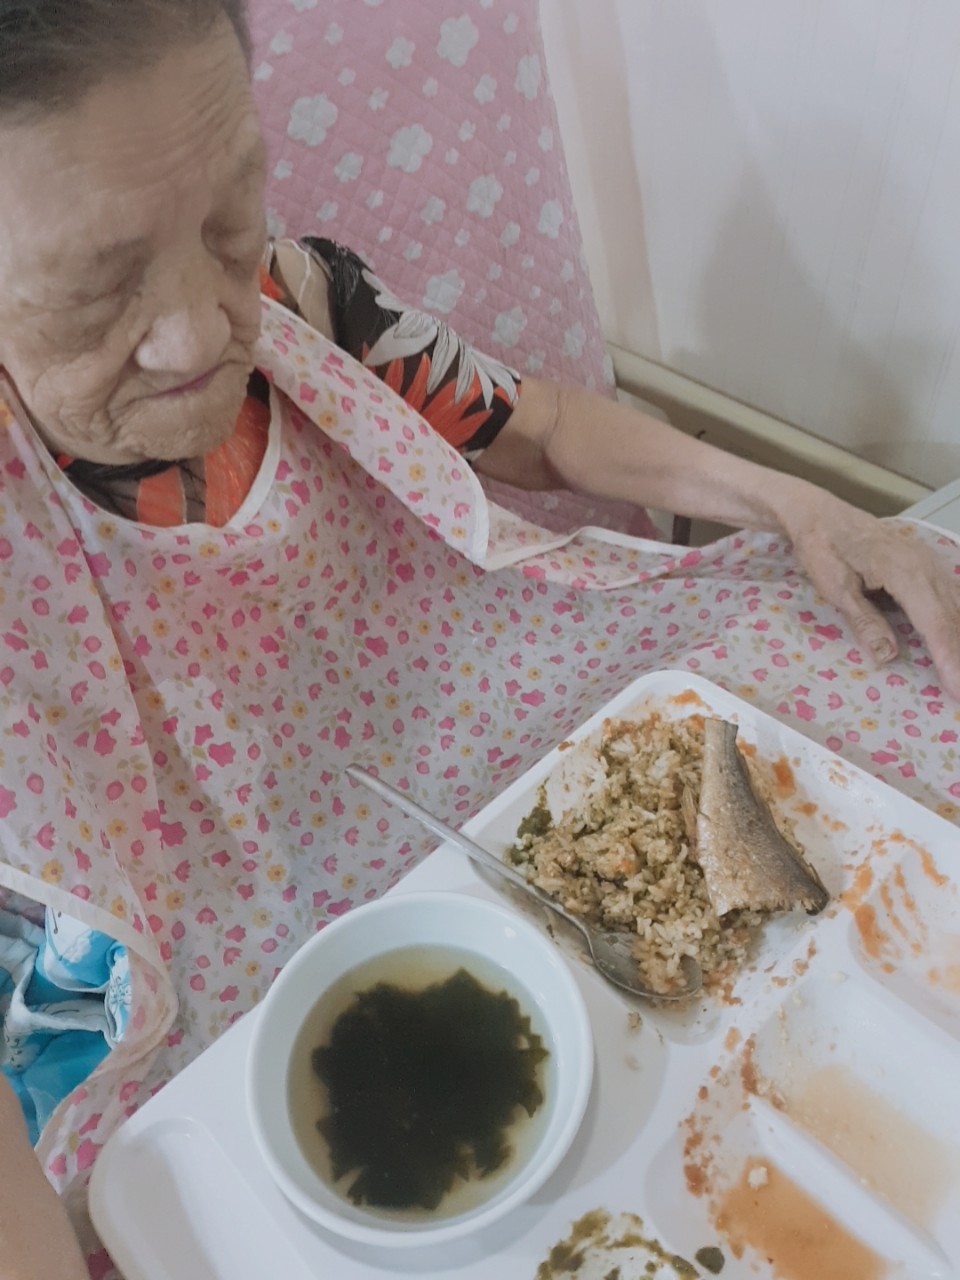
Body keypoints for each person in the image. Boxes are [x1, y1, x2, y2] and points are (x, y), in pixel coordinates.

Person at [0, 2, 958, 1275]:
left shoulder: (300, 296)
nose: (202, 330)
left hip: (518, 718)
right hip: (230, 956)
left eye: (228, 219)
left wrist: (805, 506)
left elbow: (539, 425)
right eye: (96, 286)